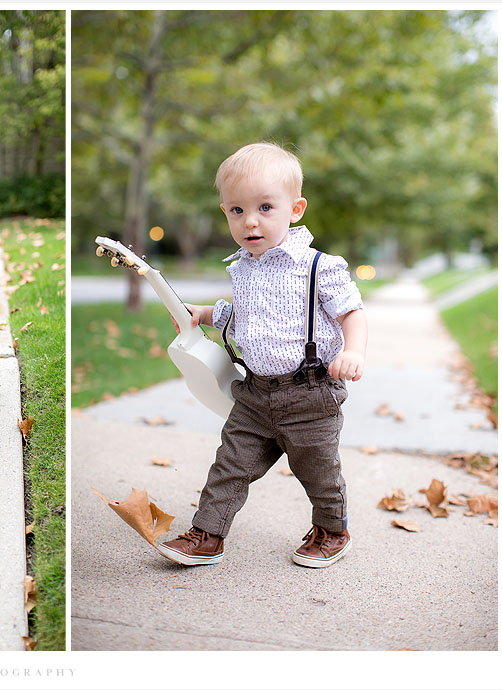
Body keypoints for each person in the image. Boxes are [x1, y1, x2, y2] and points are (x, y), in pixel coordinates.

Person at [155, 142, 368, 569]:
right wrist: (203, 313)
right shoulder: (245, 266)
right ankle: (208, 534)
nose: (250, 221)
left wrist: (354, 351)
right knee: (230, 466)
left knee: (319, 472)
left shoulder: (317, 266)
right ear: (225, 212)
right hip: (255, 395)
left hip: (309, 395)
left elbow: (352, 312)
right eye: (237, 210)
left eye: (265, 207)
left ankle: (332, 529)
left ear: (295, 209)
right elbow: (245, 316)